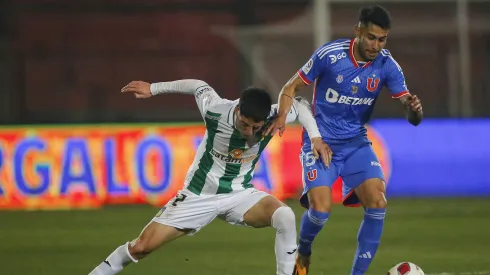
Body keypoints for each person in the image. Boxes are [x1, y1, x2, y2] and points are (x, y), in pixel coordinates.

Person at [88, 79, 332, 275]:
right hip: (197, 195)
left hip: (240, 194)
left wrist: (315, 137)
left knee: (285, 215)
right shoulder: (216, 110)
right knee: (141, 247)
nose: (250, 132)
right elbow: (197, 85)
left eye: (255, 127)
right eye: (245, 124)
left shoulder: (272, 117)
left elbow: (299, 105)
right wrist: (153, 89)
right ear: (238, 110)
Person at [264, 5, 424, 275]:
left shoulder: (387, 65)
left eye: (382, 39)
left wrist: (414, 110)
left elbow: (413, 118)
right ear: (358, 31)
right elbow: (290, 87)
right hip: (320, 144)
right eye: (371, 37)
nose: (376, 45)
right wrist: (281, 116)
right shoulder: (331, 55)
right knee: (321, 211)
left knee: (378, 201)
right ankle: (303, 251)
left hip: (356, 144)